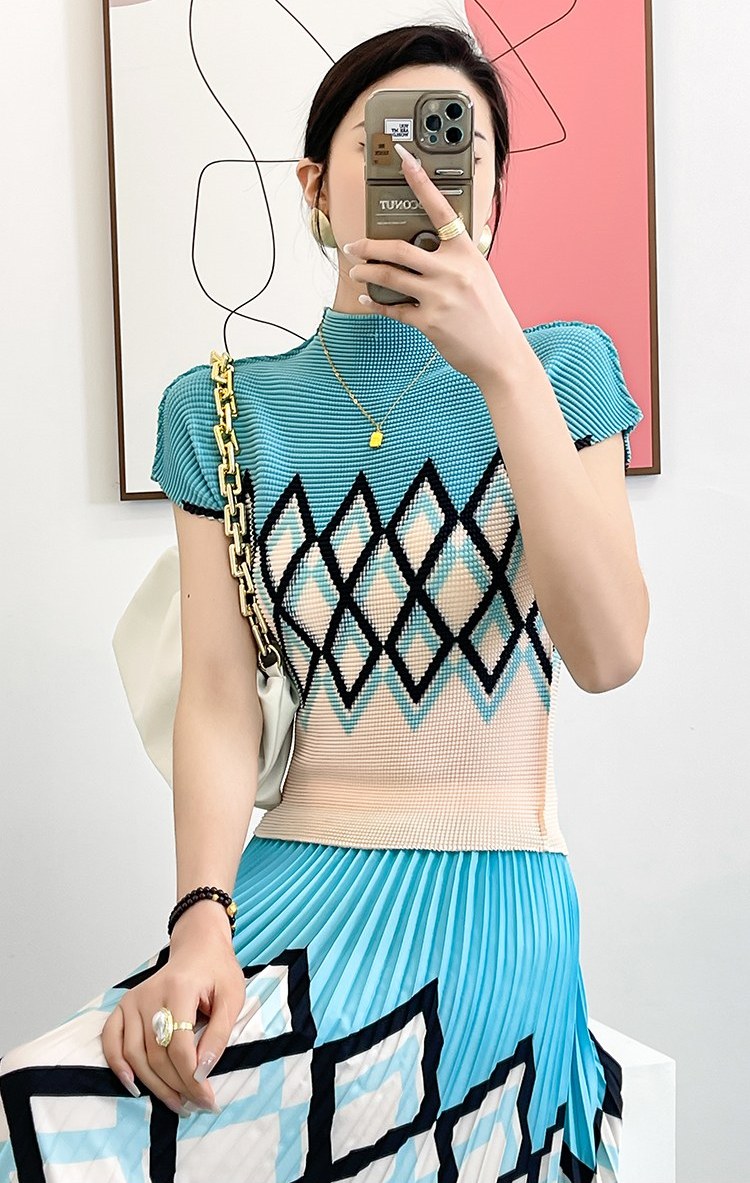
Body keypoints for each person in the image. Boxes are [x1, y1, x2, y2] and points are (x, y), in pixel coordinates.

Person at [0, 22, 648, 1182]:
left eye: (458, 150)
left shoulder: (561, 370)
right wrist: (199, 915)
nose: (424, 176)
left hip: (494, 904)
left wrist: (502, 366)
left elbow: (607, 651)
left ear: (496, 191)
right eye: (388, 144)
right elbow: (216, 691)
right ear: (314, 184)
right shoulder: (220, 409)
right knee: (37, 1115)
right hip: (283, 880)